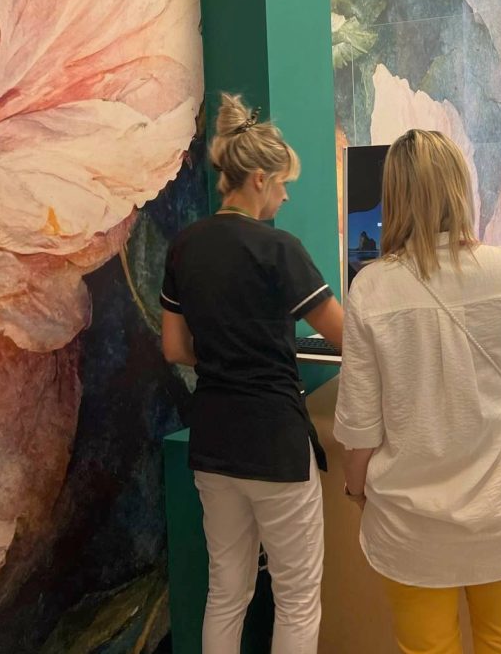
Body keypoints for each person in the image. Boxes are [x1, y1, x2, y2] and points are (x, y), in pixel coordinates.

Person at [334, 129, 501, 654]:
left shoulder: (370, 288)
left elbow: (360, 429)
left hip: (413, 523)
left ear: (394, 196)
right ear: (461, 187)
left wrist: (356, 493)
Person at [161, 92, 344, 654]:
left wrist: (224, 354)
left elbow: (174, 348)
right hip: (275, 444)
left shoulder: (184, 246)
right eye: (283, 184)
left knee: (226, 592)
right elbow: (347, 337)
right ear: (259, 179)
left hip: (213, 441)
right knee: (297, 598)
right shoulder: (278, 249)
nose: (286, 197)